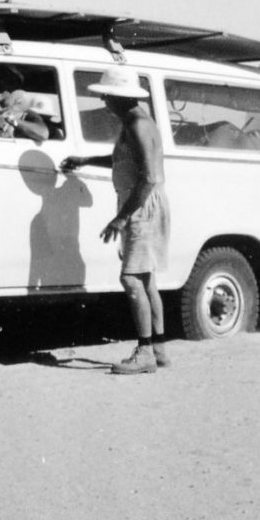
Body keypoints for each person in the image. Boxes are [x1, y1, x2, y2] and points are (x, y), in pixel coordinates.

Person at [61, 66, 171, 375]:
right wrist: (86, 160)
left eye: (106, 95)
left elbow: (149, 178)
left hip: (142, 206)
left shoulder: (138, 125)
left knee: (131, 278)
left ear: (119, 96)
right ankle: (158, 348)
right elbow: (126, 162)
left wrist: (121, 218)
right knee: (146, 279)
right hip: (140, 204)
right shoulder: (133, 123)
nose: (104, 101)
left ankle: (145, 352)